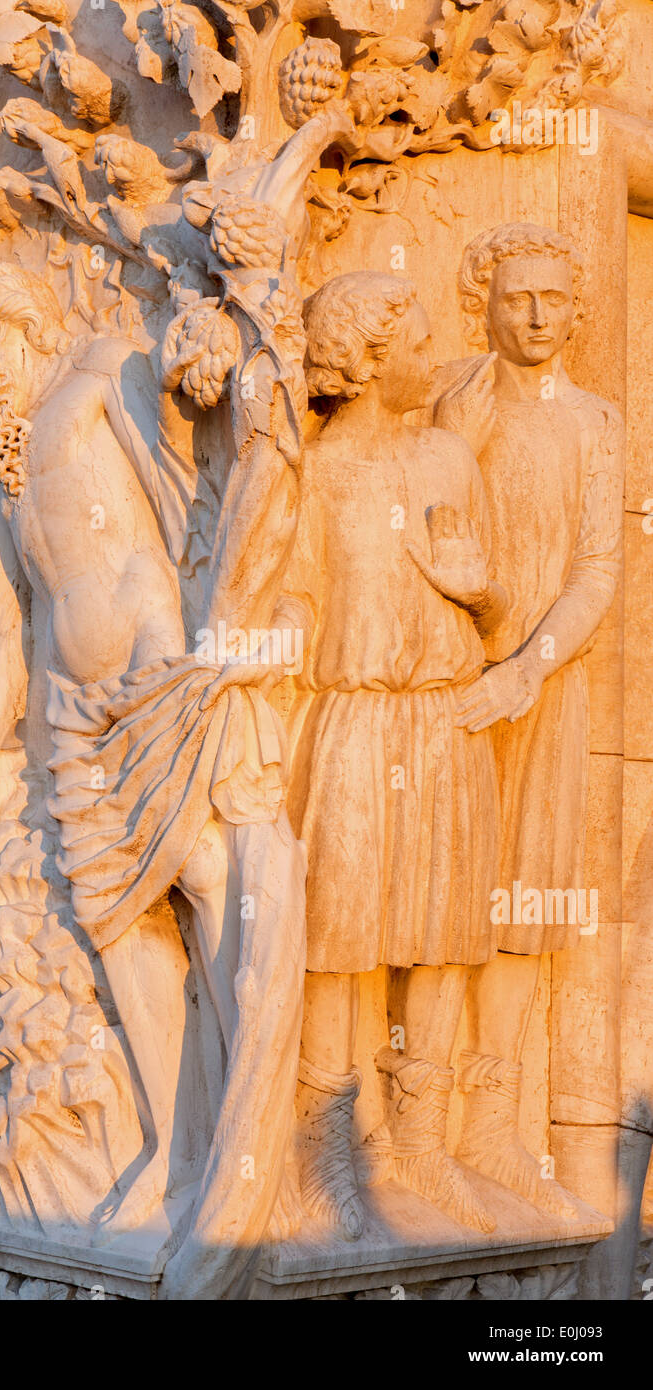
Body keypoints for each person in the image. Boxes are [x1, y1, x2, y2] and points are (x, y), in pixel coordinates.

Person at [0, 259, 307, 1297]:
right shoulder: (1, 495)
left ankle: (258, 1139)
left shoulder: (94, 378)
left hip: (151, 679)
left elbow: (187, 467)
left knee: (214, 884)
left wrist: (208, 336)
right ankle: (178, 1159)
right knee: (122, 930)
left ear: (6, 322)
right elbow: (2, 631)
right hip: (70, 731)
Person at [273, 270, 505, 1238]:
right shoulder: (319, 470)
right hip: (355, 723)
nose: (432, 360)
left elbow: (498, 622)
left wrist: (483, 594)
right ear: (368, 361)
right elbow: (294, 596)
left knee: (444, 935)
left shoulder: (453, 462)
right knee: (340, 939)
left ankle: (421, 1145)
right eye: (414, 343)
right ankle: (325, 1152)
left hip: (446, 722)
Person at [448, 224, 624, 1216]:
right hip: (448, 682)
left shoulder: (595, 424)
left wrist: (526, 669)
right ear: (487, 300)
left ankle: (492, 1116)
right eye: (517, 296)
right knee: (445, 892)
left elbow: (598, 568)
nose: (537, 315)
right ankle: (414, 1123)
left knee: (526, 900)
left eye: (554, 297)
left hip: (543, 689)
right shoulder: (457, 401)